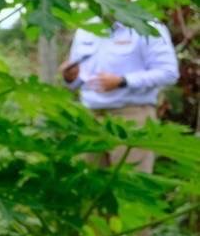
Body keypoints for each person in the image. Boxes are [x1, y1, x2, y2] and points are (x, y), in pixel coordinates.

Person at [63, 18, 180, 173]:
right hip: (91, 118)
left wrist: (123, 81)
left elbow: (169, 73)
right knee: (93, 185)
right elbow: (78, 77)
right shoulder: (86, 27)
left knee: (131, 184)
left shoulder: (149, 27)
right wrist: (70, 77)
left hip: (131, 116)